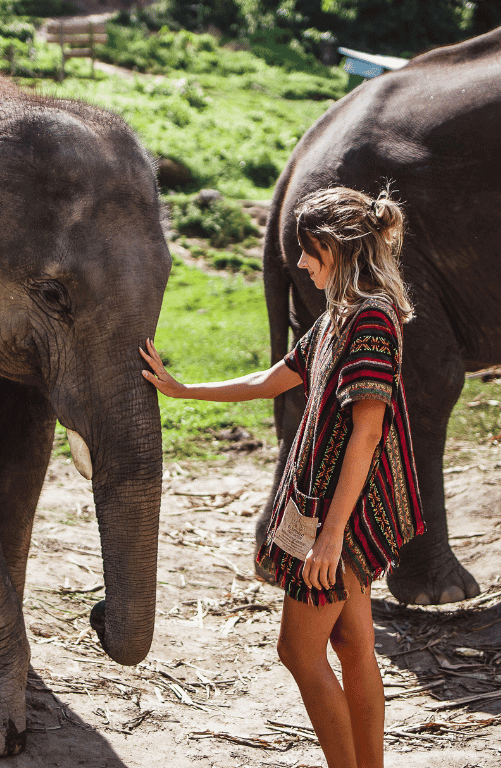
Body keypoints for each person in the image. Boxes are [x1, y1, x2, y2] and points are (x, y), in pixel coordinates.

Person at [139, 186, 424, 768]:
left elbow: (367, 436)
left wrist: (330, 536)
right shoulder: (342, 316)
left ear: (337, 250)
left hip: (343, 515)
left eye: (308, 251)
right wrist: (183, 389)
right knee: (352, 643)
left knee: (299, 651)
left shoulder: (370, 321)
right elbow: (275, 378)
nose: (299, 263)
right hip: (334, 510)